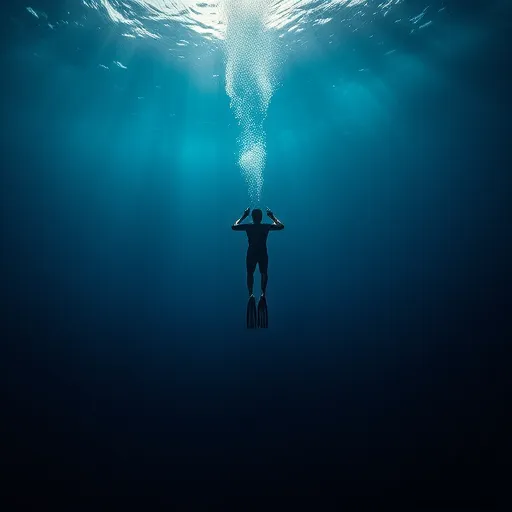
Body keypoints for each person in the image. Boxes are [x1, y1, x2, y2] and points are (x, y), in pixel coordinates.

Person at [232, 207, 284, 329]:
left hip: (251, 252)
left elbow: (234, 226)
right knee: (264, 273)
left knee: (250, 273)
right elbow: (281, 226)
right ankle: (262, 294)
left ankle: (251, 294)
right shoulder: (265, 226)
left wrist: (244, 215)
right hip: (262, 253)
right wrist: (272, 216)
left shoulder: (249, 227)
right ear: (261, 217)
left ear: (253, 217)